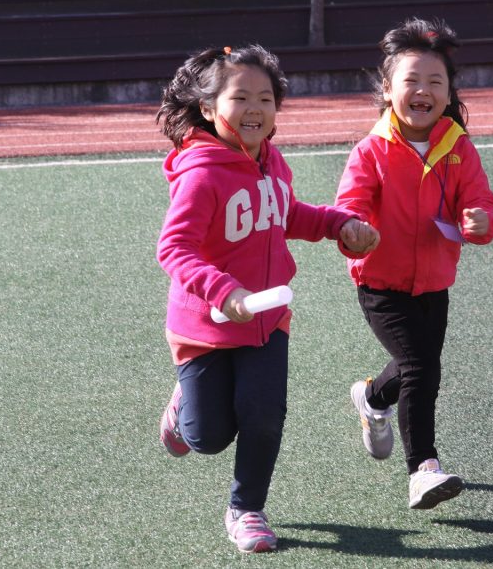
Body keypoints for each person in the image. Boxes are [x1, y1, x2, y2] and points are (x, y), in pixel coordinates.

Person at [154, 44, 379, 553]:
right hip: (206, 327)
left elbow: (289, 213)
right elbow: (174, 248)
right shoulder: (202, 173)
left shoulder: (272, 162)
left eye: (265, 97)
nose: (255, 108)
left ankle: (246, 508)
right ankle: (182, 409)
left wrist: (340, 224)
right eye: (240, 97)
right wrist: (223, 289)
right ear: (209, 109)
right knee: (207, 437)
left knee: (263, 413)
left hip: (267, 321)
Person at [335, 18, 493, 510]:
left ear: (449, 94)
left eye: (435, 82)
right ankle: (423, 468)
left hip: (433, 282)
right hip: (381, 283)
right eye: (411, 81)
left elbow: (483, 204)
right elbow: (351, 207)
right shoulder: (372, 151)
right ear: (388, 90)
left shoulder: (459, 149)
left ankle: (371, 398)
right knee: (422, 368)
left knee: (413, 368)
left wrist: (480, 222)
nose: (422, 91)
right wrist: (355, 231)